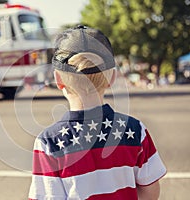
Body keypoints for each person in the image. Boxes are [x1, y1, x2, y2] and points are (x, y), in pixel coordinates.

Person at [28, 25, 166, 200]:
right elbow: (150, 191)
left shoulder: (49, 143)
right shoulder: (135, 130)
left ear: (58, 79)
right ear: (112, 78)